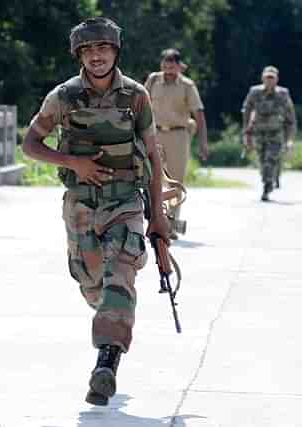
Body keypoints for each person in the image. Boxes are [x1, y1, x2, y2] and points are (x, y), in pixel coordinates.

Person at [22, 18, 170, 406]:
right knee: (92, 282)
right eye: (88, 51)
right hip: (82, 204)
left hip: (125, 202)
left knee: (121, 274)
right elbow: (31, 143)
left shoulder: (136, 96)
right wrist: (73, 162)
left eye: (103, 49)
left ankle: (107, 362)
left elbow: (153, 155)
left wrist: (159, 215)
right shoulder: (64, 96)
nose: (97, 56)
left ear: (116, 51)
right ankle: (107, 316)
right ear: (79, 56)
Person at [144, 48, 208, 238]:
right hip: (154, 134)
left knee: (175, 182)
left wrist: (203, 142)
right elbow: (140, 104)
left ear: (179, 66)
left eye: (172, 65)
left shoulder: (187, 85)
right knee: (150, 178)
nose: (168, 68)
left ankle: (171, 224)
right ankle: (154, 221)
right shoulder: (154, 80)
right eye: (165, 64)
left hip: (178, 136)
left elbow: (199, 114)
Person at [242, 66, 297, 201]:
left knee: (269, 160)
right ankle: (269, 180)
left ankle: (267, 186)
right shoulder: (254, 92)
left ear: (277, 79)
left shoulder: (283, 94)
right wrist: (246, 132)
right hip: (259, 133)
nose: (269, 81)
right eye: (267, 78)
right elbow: (247, 110)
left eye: (272, 78)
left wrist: (289, 139)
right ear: (263, 78)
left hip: (275, 134)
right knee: (262, 161)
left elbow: (291, 119)